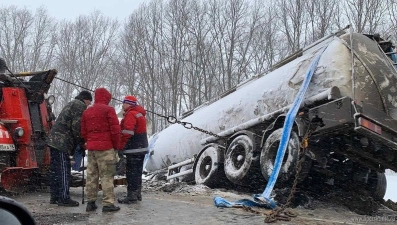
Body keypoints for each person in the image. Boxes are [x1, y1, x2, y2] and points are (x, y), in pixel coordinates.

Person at [47, 90, 92, 206]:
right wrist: (82, 142)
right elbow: (77, 127)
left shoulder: (72, 103)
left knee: (55, 170)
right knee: (63, 169)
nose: (88, 106)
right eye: (89, 103)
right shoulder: (79, 105)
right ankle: (63, 198)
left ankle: (55, 196)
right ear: (86, 99)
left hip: (54, 140)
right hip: (61, 142)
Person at [81, 87, 122, 212]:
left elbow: (83, 132)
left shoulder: (87, 112)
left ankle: (91, 202)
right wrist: (117, 146)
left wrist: (89, 142)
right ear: (107, 98)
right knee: (107, 175)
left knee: (92, 175)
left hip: (92, 149)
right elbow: (115, 131)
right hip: (106, 148)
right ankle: (108, 203)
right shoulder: (109, 110)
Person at [118, 95, 149, 204]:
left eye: (124, 103)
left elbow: (128, 132)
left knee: (131, 173)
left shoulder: (131, 114)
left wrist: (121, 147)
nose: (122, 105)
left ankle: (131, 196)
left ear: (129, 104)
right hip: (142, 147)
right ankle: (137, 193)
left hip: (133, 148)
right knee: (138, 172)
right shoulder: (139, 114)